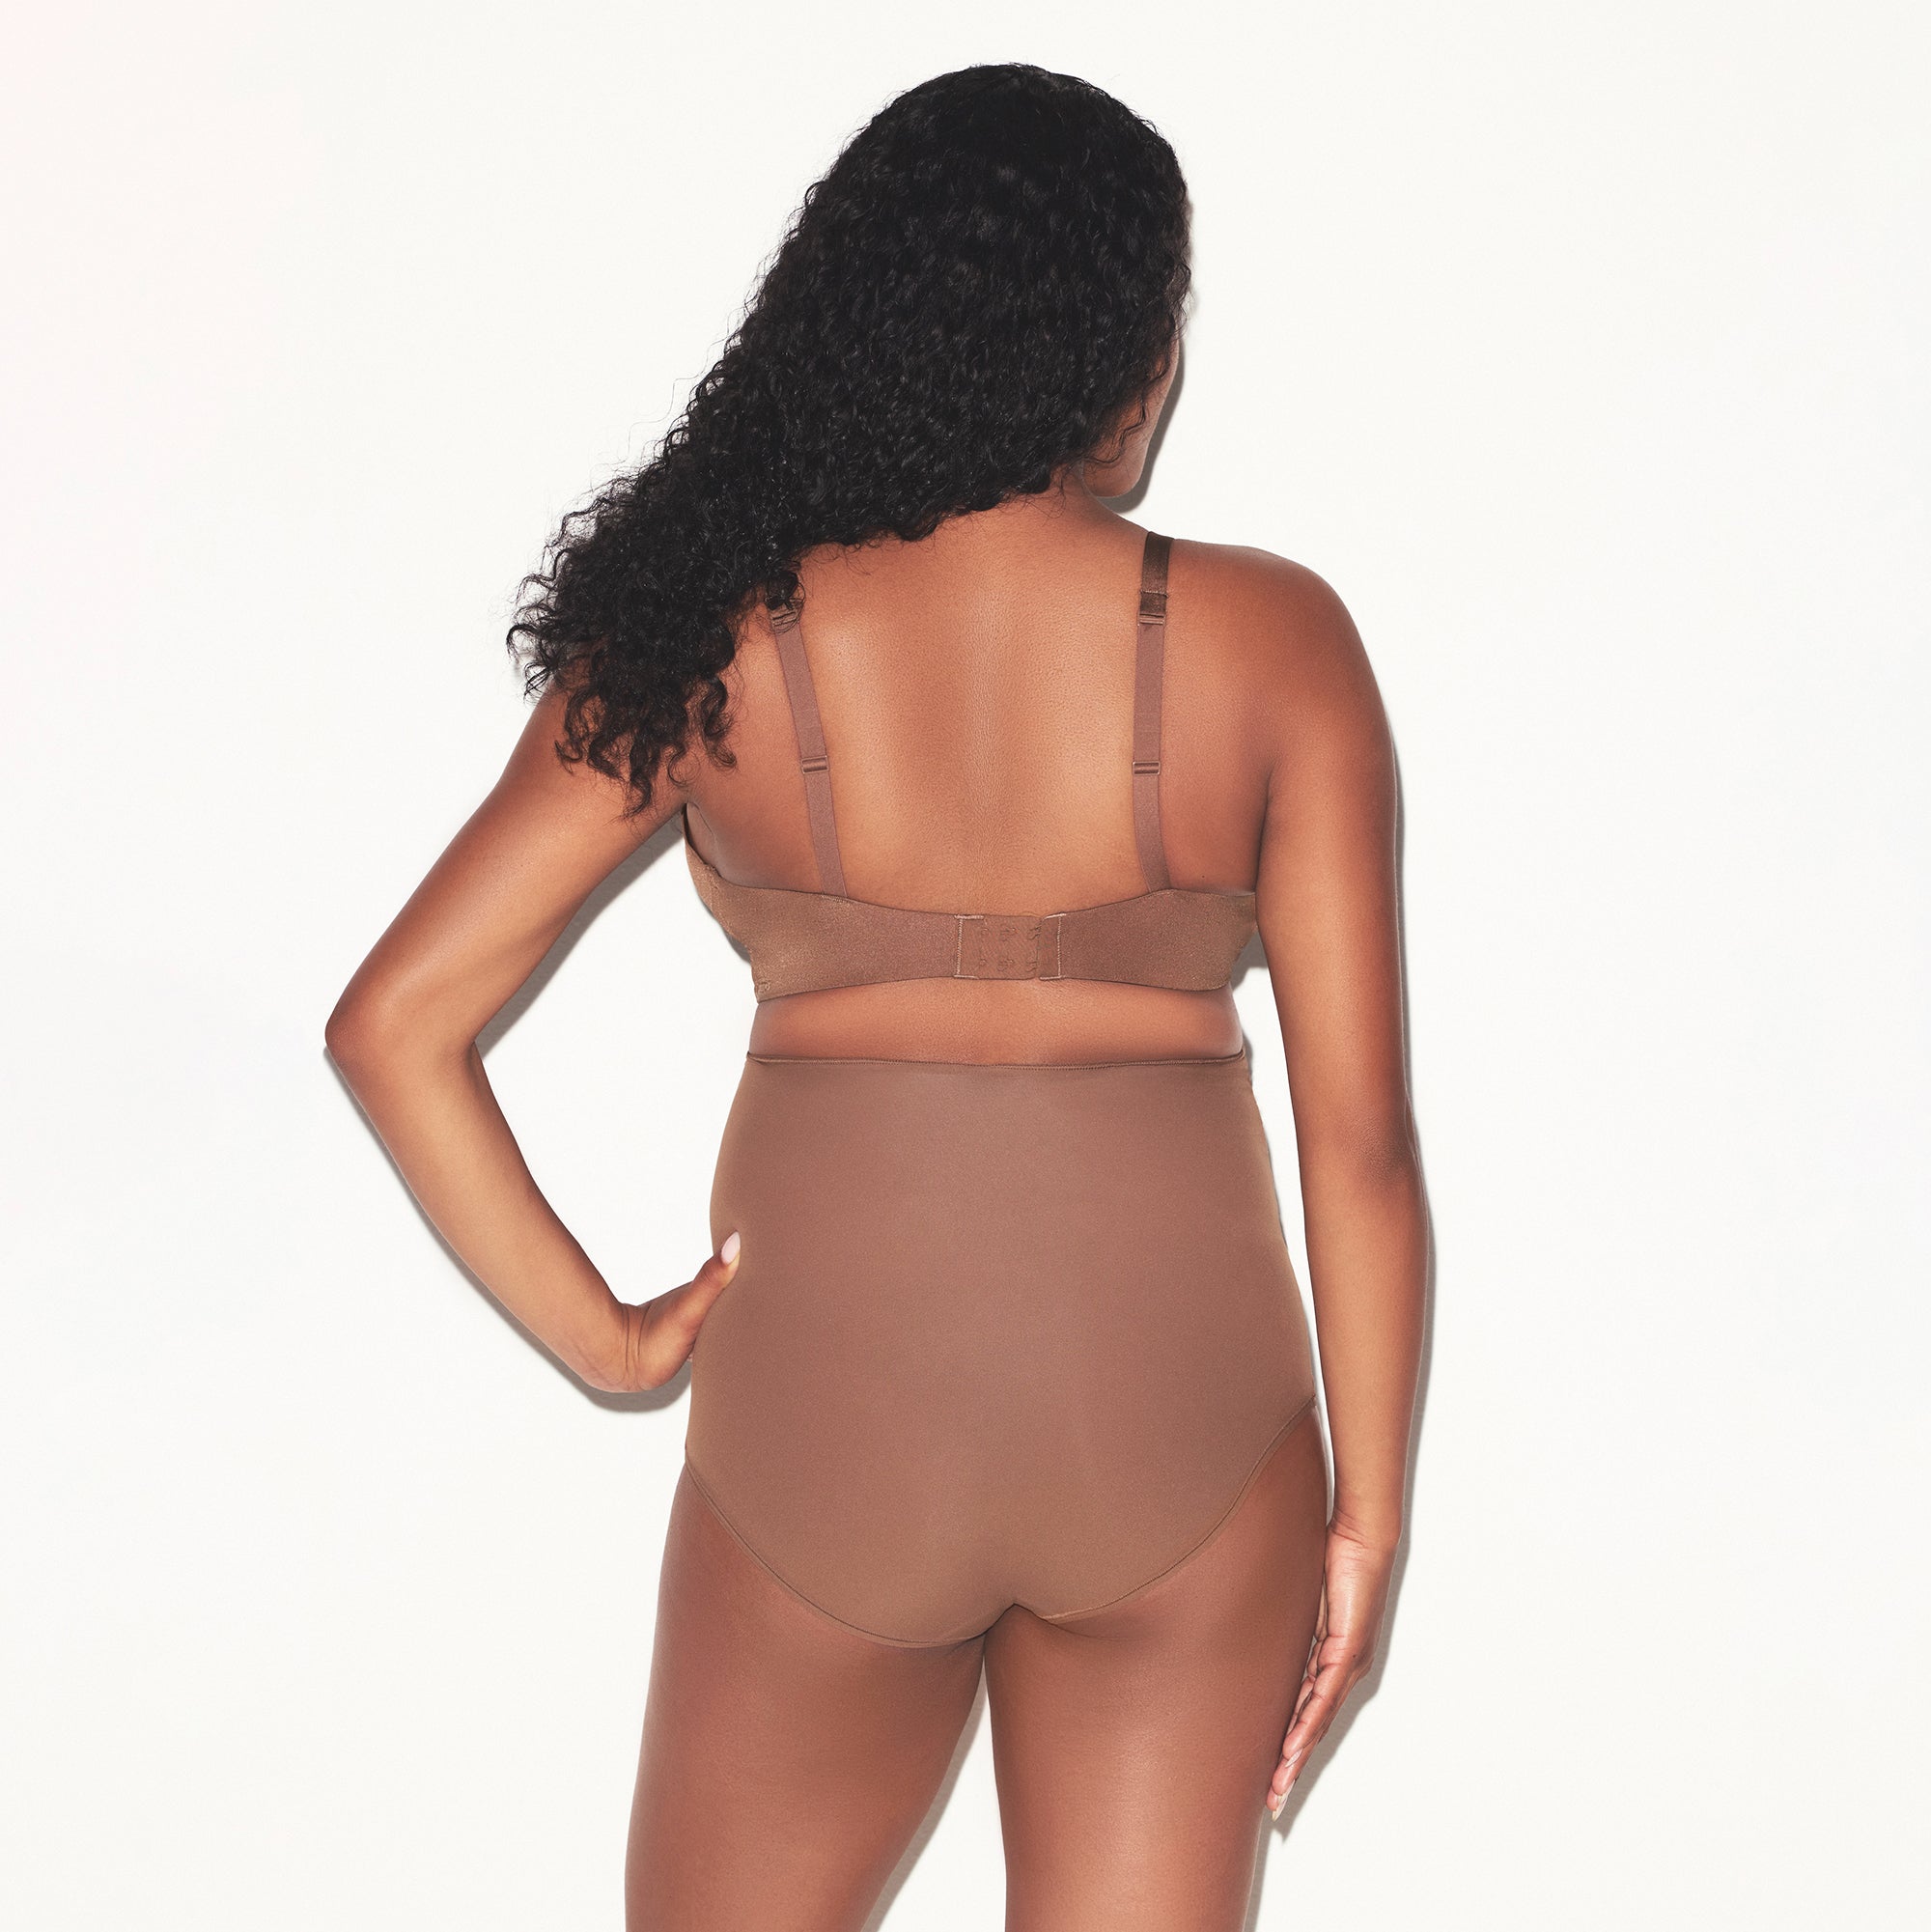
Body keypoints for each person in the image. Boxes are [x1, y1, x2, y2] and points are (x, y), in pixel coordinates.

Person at [326, 62, 1426, 1932]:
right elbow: (1363, 1143)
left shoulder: (710, 633)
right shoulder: (1279, 639)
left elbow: (393, 1023)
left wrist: (613, 1341)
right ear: (1117, 351)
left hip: (827, 1424)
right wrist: (1369, 1520)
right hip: (1186, 1427)